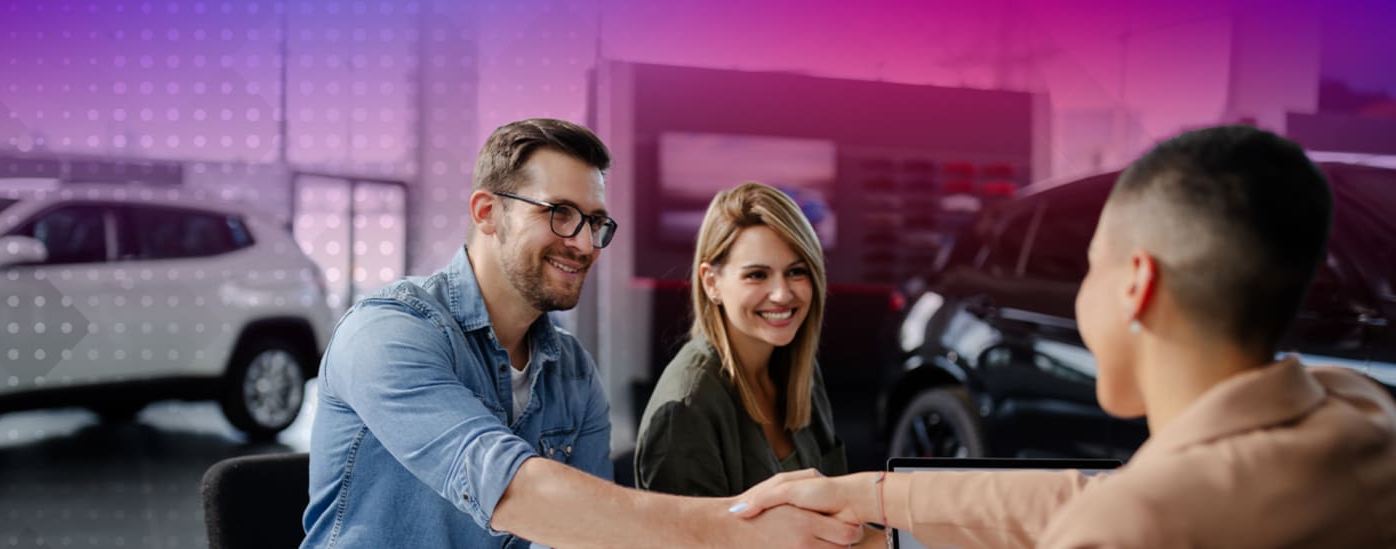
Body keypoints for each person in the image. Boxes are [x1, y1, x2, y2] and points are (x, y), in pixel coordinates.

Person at [729, 125, 1396, 548]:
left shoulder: (1131, 527)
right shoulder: (1361, 413)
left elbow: (1117, 511)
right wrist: (872, 494)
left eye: (1089, 264)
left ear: (1137, 283)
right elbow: (1095, 493)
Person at [303, 118, 862, 549]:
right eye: (560, 213)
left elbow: (589, 538)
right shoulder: (389, 333)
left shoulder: (571, 368)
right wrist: (737, 529)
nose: (585, 243)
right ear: (486, 212)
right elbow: (512, 489)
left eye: (595, 222)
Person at [636, 182, 847, 497]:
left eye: (796, 272)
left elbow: (839, 505)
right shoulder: (686, 406)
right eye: (757, 275)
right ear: (712, 283)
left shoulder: (800, 371)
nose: (782, 294)